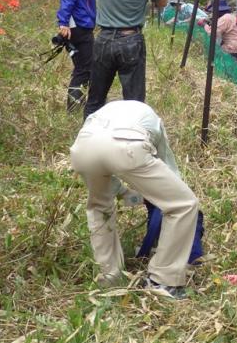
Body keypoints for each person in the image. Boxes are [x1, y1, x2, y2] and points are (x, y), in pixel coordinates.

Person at [70, 100, 199, 298]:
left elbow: (101, 155)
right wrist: (164, 198)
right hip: (127, 146)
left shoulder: (106, 111)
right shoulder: (154, 120)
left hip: (82, 147)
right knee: (183, 205)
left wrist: (123, 192)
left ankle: (109, 277)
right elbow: (169, 171)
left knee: (99, 208)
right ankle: (163, 281)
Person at [84, 0, 169, 118]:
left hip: (103, 40)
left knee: (95, 100)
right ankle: (132, 144)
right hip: (131, 40)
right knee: (134, 105)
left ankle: (87, 139)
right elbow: (162, 1)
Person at [56, 0, 103, 111]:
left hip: (79, 25)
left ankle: (78, 105)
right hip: (79, 27)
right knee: (85, 68)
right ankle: (75, 108)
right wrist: (64, 23)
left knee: (84, 68)